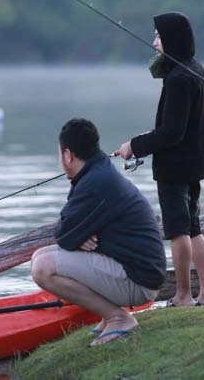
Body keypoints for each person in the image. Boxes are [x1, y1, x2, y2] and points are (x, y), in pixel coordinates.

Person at [31, 118, 166, 347]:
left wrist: (76, 236)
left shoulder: (96, 181)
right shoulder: (97, 172)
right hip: (130, 268)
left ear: (67, 155)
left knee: (42, 269)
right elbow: (66, 231)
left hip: (138, 281)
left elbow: (63, 232)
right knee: (38, 256)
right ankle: (108, 316)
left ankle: (119, 318)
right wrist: (77, 237)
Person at [118, 11, 204, 307]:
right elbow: (180, 125)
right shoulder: (195, 69)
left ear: (173, 38)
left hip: (176, 167)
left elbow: (173, 133)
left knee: (178, 231)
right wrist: (150, 135)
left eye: (159, 36)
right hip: (194, 163)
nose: (154, 42)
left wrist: (135, 146)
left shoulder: (177, 79)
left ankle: (183, 295)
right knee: (194, 228)